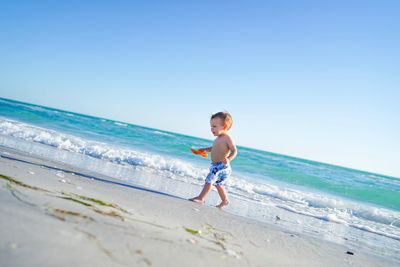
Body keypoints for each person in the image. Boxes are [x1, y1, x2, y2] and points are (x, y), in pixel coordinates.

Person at [190, 111, 237, 209]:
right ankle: (225, 200)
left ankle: (201, 198)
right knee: (217, 184)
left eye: (214, 126)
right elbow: (214, 148)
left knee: (210, 179)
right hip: (216, 165)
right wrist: (204, 150)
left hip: (222, 166)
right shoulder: (218, 138)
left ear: (224, 126)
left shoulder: (227, 138)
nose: (211, 129)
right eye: (211, 126)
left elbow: (234, 150)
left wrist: (228, 159)